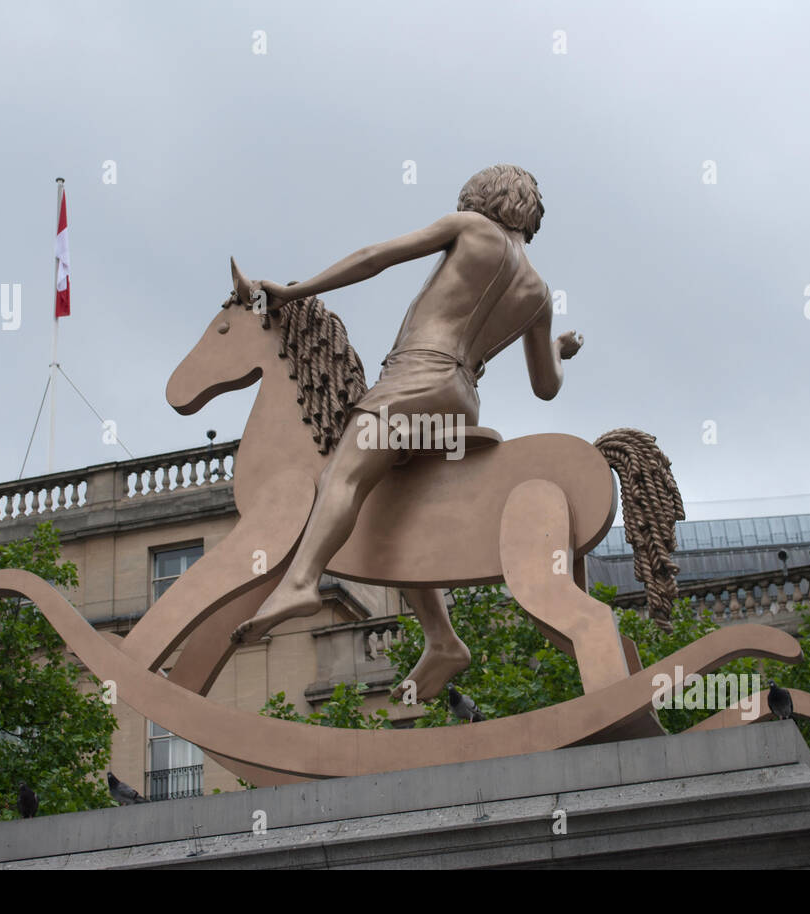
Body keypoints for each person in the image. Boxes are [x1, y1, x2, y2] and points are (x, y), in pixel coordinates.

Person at [233, 163, 583, 700]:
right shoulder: (538, 293)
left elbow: (376, 258)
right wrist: (558, 349)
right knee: (389, 506)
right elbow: (545, 388)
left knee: (341, 477)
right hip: (461, 400)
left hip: (416, 376)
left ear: (483, 196)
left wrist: (295, 291)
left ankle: (301, 582)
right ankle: (443, 641)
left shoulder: (468, 226)